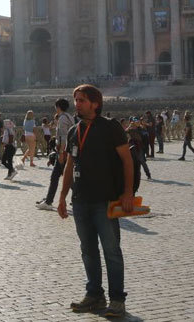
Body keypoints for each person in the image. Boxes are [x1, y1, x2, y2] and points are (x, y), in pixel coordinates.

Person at [57, 84, 134, 318]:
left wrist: (128, 192)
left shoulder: (110, 128)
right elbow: (70, 165)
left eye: (81, 100)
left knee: (111, 251)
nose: (77, 104)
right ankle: (94, 295)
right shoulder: (74, 131)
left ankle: (117, 300)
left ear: (95, 103)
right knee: (88, 251)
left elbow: (127, 161)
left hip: (105, 199)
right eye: (76, 100)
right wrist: (62, 197)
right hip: (81, 201)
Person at [37, 98, 73, 210]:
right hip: (67, 151)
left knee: (61, 178)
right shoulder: (69, 117)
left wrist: (62, 153)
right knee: (60, 177)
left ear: (58, 107)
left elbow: (63, 136)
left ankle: (49, 201)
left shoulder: (62, 118)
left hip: (63, 151)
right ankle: (48, 200)